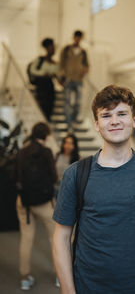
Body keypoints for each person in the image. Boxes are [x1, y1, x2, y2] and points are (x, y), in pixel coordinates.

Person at [52, 85, 135, 294]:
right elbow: (60, 238)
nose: (115, 121)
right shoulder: (76, 174)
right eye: (106, 115)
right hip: (87, 288)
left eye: (122, 113)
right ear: (96, 124)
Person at [15, 122, 57, 290]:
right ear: (46, 136)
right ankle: (59, 276)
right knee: (55, 237)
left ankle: (25, 278)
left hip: (23, 202)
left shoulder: (21, 151)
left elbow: (14, 176)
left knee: (26, 239)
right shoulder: (46, 152)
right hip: (42, 203)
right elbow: (53, 177)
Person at [59, 30, 89, 130]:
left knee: (78, 103)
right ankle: (69, 124)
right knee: (67, 102)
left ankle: (73, 120)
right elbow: (61, 63)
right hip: (68, 79)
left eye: (79, 37)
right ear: (73, 37)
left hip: (78, 80)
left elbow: (86, 65)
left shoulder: (83, 51)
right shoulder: (66, 49)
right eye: (76, 37)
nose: (77, 39)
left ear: (81, 38)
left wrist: (84, 71)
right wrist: (61, 77)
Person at [29, 38, 58, 121]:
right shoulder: (40, 60)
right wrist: (43, 73)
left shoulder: (55, 63)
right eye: (51, 47)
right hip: (41, 86)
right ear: (47, 48)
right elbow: (33, 70)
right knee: (42, 106)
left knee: (49, 106)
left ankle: (46, 122)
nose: (53, 49)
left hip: (50, 86)